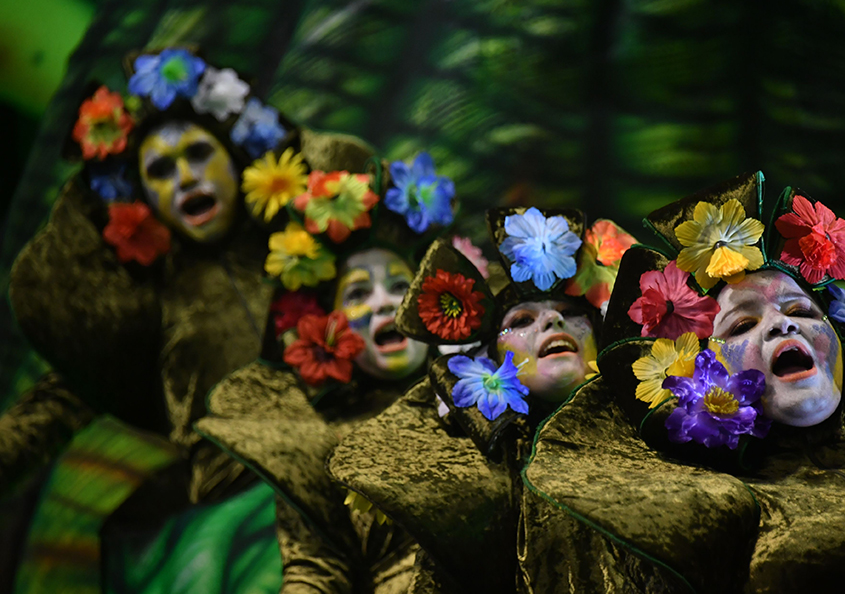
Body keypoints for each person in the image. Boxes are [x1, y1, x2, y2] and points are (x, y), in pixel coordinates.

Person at [0, 46, 374, 592]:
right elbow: (56, 405)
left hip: (351, 470)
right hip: (237, 513)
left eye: (198, 154)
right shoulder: (148, 304)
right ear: (145, 197)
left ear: (236, 157)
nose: (185, 177)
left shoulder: (318, 240)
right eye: (161, 169)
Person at [519, 171, 845, 593]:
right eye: (742, 325)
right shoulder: (711, 511)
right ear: (703, 374)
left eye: (798, 310)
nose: (781, 326)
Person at [325, 207, 637, 592]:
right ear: (486, 359)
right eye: (521, 320)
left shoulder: (652, 449)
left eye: (572, 313)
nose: (553, 323)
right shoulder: (461, 478)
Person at [195, 150, 461, 593]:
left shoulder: (488, 392)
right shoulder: (311, 435)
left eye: (399, 285)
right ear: (328, 324)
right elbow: (314, 570)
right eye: (359, 292)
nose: (381, 302)